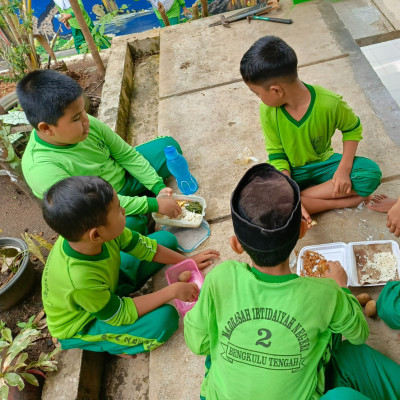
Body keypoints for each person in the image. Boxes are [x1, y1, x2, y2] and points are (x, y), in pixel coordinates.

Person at [184, 163, 400, 400]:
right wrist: (341, 288)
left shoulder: (220, 276)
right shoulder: (325, 293)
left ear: (236, 245)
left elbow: (199, 343)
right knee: (347, 358)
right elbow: (359, 334)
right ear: (303, 230)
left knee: (214, 353)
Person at [41, 175, 219, 357]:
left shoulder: (87, 236)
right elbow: (119, 313)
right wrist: (172, 292)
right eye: (118, 210)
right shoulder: (79, 280)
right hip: (85, 322)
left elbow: (142, 246)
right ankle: (112, 344)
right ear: (96, 235)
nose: (124, 210)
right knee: (165, 320)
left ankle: (119, 298)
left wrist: (186, 262)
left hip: (105, 290)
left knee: (166, 240)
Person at [17, 69, 182, 238]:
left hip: (124, 177)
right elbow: (94, 207)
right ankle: (139, 215)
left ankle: (141, 205)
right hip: (104, 207)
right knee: (125, 228)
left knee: (168, 148)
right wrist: (152, 204)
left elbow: (125, 154)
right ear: (46, 128)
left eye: (83, 111)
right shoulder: (42, 169)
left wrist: (158, 187)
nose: (86, 120)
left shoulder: (86, 123)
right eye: (76, 118)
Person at [240, 36, 382, 225]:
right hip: (291, 171)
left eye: (257, 93)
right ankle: (334, 203)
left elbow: (352, 129)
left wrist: (343, 170)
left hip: (324, 164)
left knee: (370, 173)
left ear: (276, 90)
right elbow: (277, 154)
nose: (258, 98)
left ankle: (299, 202)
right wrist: (287, 188)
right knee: (255, 196)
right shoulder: (268, 111)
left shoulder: (329, 103)